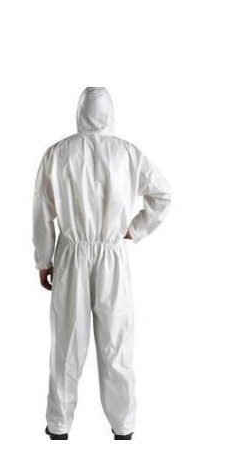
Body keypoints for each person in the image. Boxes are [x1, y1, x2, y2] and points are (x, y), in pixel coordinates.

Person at [33, 86, 171, 440]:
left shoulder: (57, 153)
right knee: (116, 342)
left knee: (67, 343)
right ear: (110, 112)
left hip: (71, 255)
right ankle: (123, 426)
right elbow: (162, 195)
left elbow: (42, 211)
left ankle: (59, 425)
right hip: (111, 257)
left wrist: (43, 259)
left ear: (79, 113)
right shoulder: (127, 153)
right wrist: (133, 230)